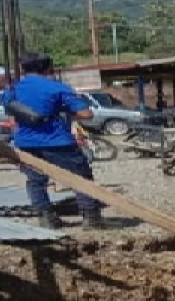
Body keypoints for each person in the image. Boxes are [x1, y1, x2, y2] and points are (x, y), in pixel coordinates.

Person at [6, 53, 106, 229]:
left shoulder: (12, 90)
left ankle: (47, 219)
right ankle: (91, 218)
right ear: (47, 68)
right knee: (80, 177)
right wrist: (64, 110)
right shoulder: (57, 88)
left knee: (35, 180)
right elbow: (86, 114)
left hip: (25, 143)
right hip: (58, 141)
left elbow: (12, 118)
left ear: (23, 69)